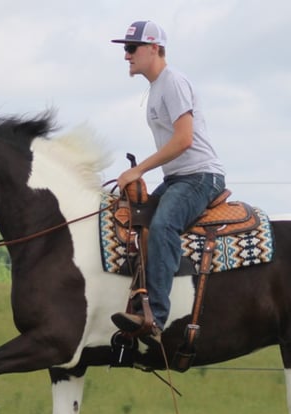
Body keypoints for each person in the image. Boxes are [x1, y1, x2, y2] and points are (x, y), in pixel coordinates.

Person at [110, 20, 226, 344]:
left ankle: (155, 317)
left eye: (131, 48)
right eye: (125, 49)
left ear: (153, 49)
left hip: (200, 177)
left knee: (162, 225)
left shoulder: (172, 82)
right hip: (177, 178)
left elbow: (184, 139)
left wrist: (139, 171)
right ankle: (137, 301)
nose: (126, 56)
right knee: (134, 219)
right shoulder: (155, 90)